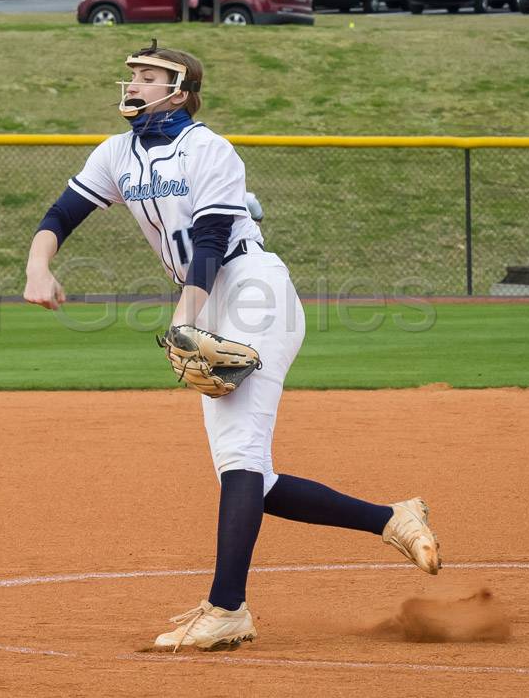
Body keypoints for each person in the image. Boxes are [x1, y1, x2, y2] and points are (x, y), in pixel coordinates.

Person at [22, 42, 441, 651]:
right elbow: (61, 214)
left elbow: (212, 244)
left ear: (181, 91)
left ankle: (226, 608)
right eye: (132, 75)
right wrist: (39, 267)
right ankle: (391, 519)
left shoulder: (209, 149)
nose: (134, 84)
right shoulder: (118, 153)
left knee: (241, 459)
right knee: (249, 475)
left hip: (251, 289)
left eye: (149, 76)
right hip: (211, 297)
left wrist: (183, 320)